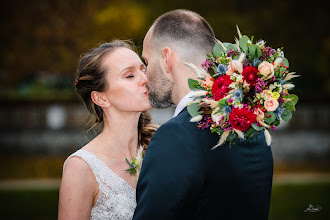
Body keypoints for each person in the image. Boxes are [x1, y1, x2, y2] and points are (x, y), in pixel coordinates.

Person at [133, 9, 273, 220]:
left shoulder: (175, 135)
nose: (145, 76)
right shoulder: (253, 126)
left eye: (147, 62)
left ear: (166, 58)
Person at [58, 40, 157, 220]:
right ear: (101, 98)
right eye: (129, 76)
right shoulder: (81, 167)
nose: (145, 79)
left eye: (143, 70)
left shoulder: (161, 149)